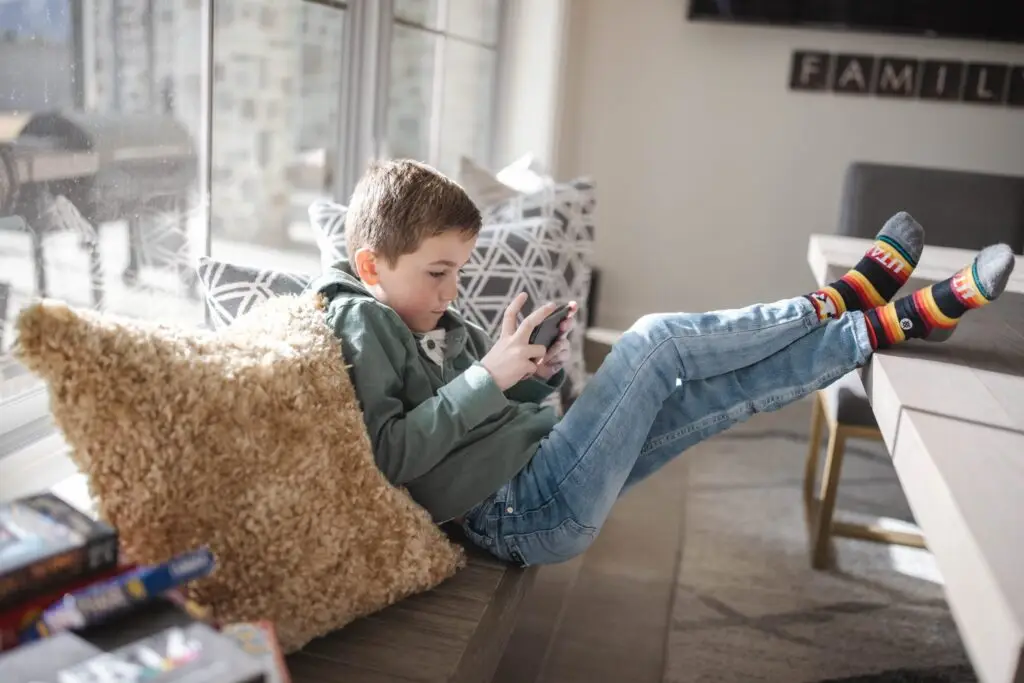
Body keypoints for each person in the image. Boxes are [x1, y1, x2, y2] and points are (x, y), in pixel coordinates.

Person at [307, 159, 1016, 567]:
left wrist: (534, 371)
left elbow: (495, 421)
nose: (451, 290)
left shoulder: (431, 315)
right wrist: (486, 375)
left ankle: (882, 324)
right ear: (372, 264)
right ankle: (841, 301)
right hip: (516, 512)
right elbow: (393, 455)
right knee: (656, 342)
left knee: (700, 393)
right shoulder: (364, 320)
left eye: (457, 271)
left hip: (535, 475)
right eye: (438, 272)